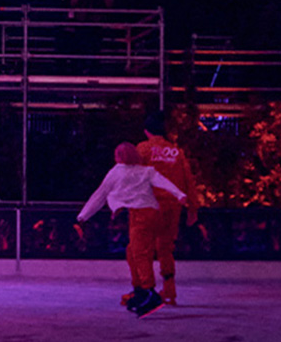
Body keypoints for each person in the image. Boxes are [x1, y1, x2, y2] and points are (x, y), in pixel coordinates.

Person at [77, 142, 186, 317]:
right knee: (133, 252)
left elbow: (99, 195)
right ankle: (140, 290)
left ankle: (149, 292)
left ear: (119, 156)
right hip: (152, 213)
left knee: (139, 254)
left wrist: (83, 216)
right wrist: (179, 194)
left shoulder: (116, 172)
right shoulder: (146, 171)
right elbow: (163, 182)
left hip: (138, 215)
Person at [137, 110, 200, 305]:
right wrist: (193, 208)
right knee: (166, 248)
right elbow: (189, 181)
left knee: (143, 248)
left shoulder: (142, 150)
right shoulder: (176, 152)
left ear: (146, 131)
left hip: (149, 206)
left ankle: (147, 290)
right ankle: (170, 290)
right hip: (172, 206)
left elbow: (135, 178)